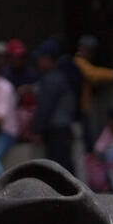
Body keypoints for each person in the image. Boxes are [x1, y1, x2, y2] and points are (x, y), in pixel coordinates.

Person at [30, 39, 77, 174]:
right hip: (60, 130)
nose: (38, 62)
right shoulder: (58, 76)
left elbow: (45, 107)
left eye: (40, 59)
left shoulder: (52, 78)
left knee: (61, 171)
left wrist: (37, 131)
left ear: (48, 59)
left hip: (58, 131)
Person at [73, 35, 113, 151]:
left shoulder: (84, 63)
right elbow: (93, 74)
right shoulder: (78, 62)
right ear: (82, 49)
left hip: (84, 108)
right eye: (88, 50)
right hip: (78, 110)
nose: (90, 54)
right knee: (86, 142)